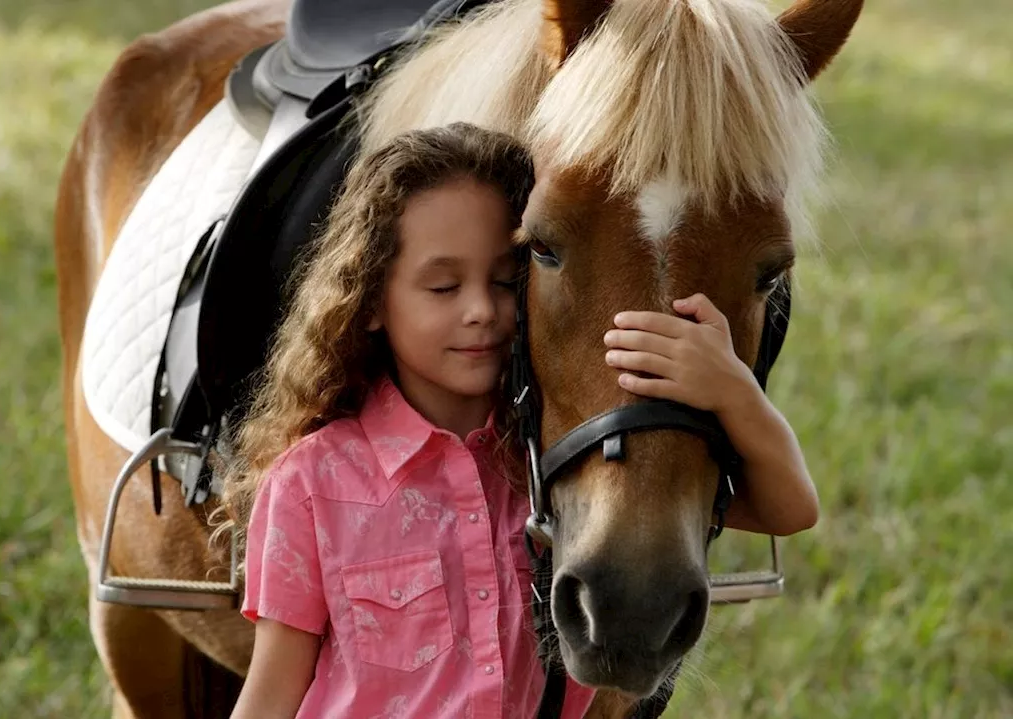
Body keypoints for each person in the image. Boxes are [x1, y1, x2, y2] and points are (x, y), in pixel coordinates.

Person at [221, 122, 818, 719]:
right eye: (444, 286)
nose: (480, 310)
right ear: (371, 299)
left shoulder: (547, 460)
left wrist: (734, 390)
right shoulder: (311, 485)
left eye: (506, 283)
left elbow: (787, 509)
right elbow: (271, 695)